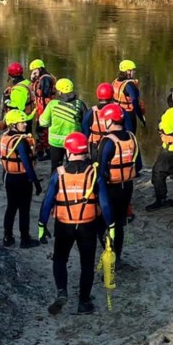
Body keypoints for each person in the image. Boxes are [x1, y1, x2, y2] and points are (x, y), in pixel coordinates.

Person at [38, 132, 115, 315]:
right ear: (86, 150)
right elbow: (104, 203)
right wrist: (110, 226)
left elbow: (48, 201)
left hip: (64, 225)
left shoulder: (59, 174)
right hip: (88, 225)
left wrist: (42, 225)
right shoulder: (94, 174)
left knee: (60, 259)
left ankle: (61, 291)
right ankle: (83, 302)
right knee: (87, 263)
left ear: (68, 151)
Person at [95, 103, 141, 261]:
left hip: (110, 188)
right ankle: (118, 256)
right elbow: (138, 164)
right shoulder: (131, 137)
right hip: (127, 186)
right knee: (120, 222)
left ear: (109, 121)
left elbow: (100, 171)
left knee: (103, 222)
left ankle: (109, 252)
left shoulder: (108, 141)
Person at [0, 109, 44, 248]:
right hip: (21, 179)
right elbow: (27, 164)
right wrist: (36, 183)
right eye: (22, 122)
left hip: (7, 177)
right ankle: (25, 239)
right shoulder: (20, 142)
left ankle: (8, 237)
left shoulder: (4, 137)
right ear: (13, 124)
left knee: (11, 207)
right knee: (24, 209)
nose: (25, 124)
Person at [39, 78, 87, 171]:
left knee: (56, 167)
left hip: (55, 142)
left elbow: (43, 123)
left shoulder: (52, 104)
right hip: (73, 142)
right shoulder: (80, 104)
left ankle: (55, 183)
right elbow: (85, 123)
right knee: (72, 166)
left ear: (60, 92)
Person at [29, 59, 56, 159]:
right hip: (41, 109)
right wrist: (33, 79)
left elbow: (45, 93)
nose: (33, 72)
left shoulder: (45, 79)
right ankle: (40, 151)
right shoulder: (40, 79)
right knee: (39, 130)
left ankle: (47, 152)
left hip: (45, 109)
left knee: (43, 130)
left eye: (34, 71)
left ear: (40, 69)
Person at [113, 59, 146, 134]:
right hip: (128, 115)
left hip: (116, 113)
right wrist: (141, 118)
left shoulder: (115, 82)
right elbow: (135, 103)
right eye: (133, 70)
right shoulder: (130, 85)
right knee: (130, 137)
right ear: (128, 71)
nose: (135, 72)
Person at [82, 82, 116, 148]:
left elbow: (85, 131)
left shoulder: (91, 112)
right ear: (112, 95)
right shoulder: (118, 111)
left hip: (95, 146)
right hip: (112, 145)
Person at [0, 61, 26, 129]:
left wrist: (6, 100)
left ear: (11, 76)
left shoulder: (17, 89)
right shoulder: (27, 83)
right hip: (29, 118)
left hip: (20, 121)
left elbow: (16, 107)